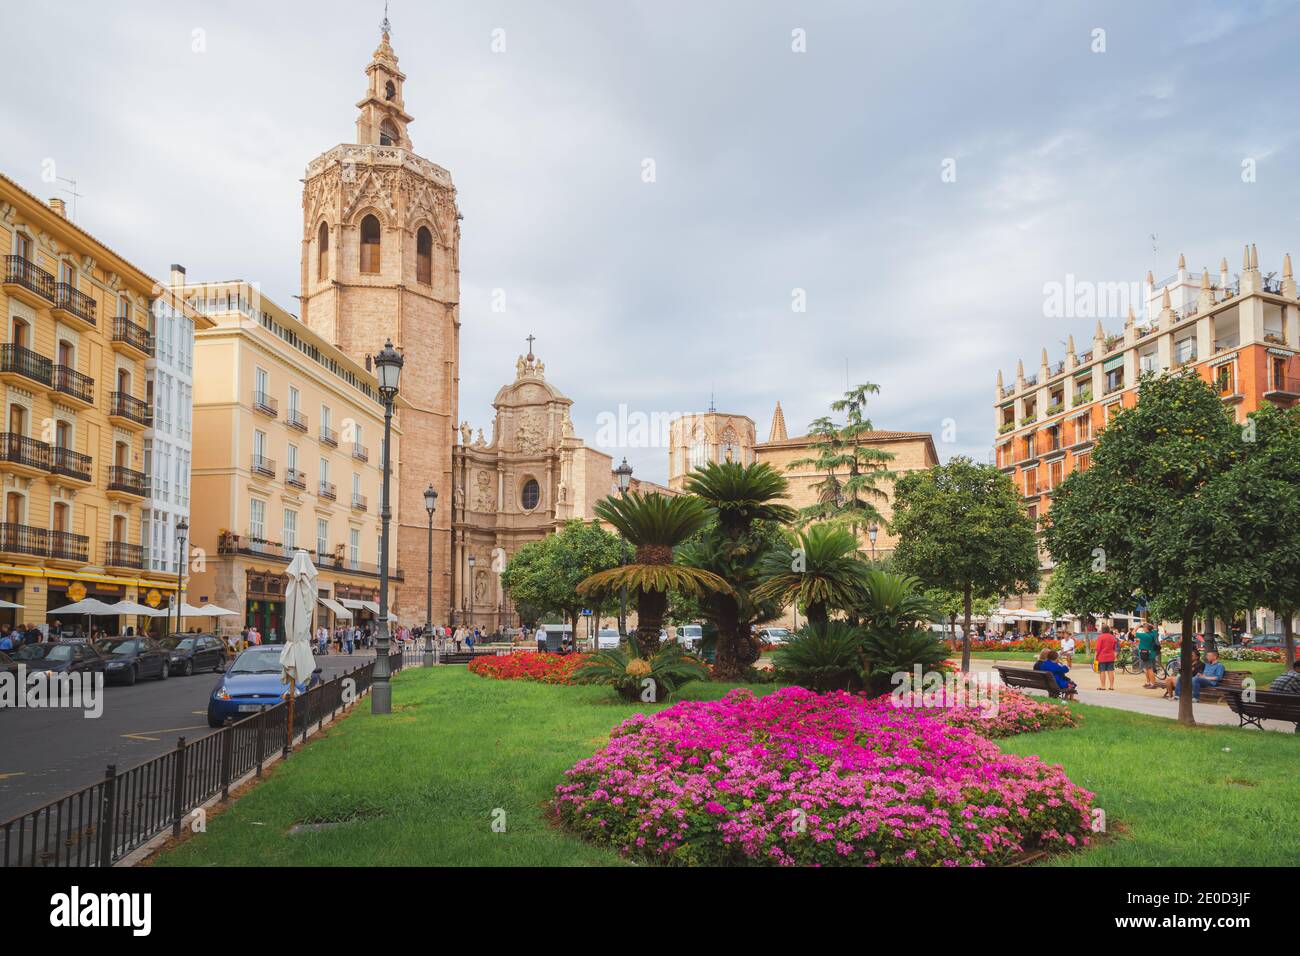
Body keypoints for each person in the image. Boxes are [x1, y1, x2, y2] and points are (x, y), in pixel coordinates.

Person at [1136, 622, 1162, 689]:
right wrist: (1148, 624)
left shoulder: (1145, 635)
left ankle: (1152, 684)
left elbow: (1133, 633)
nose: (1143, 628)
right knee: (1147, 669)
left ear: (1147, 629)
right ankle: (1149, 682)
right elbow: (1155, 628)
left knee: (1149, 669)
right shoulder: (1154, 633)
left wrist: (1138, 625)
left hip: (1146, 654)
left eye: (1144, 627)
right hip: (1152, 653)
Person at [1094, 625, 1118, 690]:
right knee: (1111, 671)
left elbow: (1097, 648)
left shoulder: (1101, 637)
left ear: (1102, 630)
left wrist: (1095, 657)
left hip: (1102, 657)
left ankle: (1103, 686)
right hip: (1111, 656)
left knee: (1102, 671)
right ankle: (1111, 686)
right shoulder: (1112, 637)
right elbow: (1114, 647)